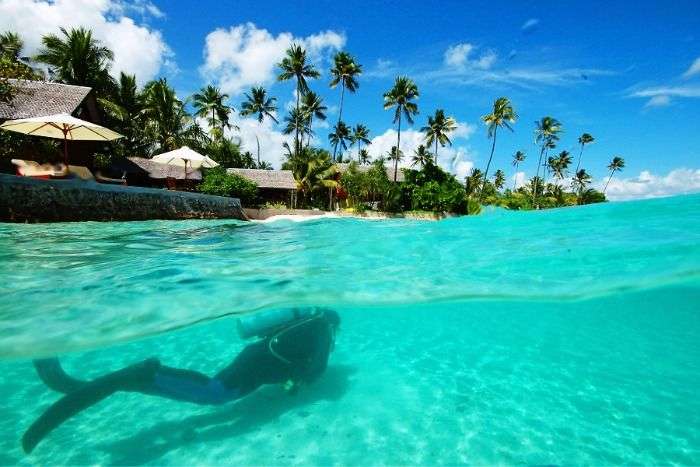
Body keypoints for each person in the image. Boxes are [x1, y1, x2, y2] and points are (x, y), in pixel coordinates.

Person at [22, 308, 340, 454]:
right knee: (213, 394)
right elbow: (317, 371)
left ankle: (145, 378)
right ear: (333, 324)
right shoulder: (322, 330)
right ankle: (145, 374)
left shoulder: (305, 321)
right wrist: (302, 381)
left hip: (255, 358)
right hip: (257, 366)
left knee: (213, 392)